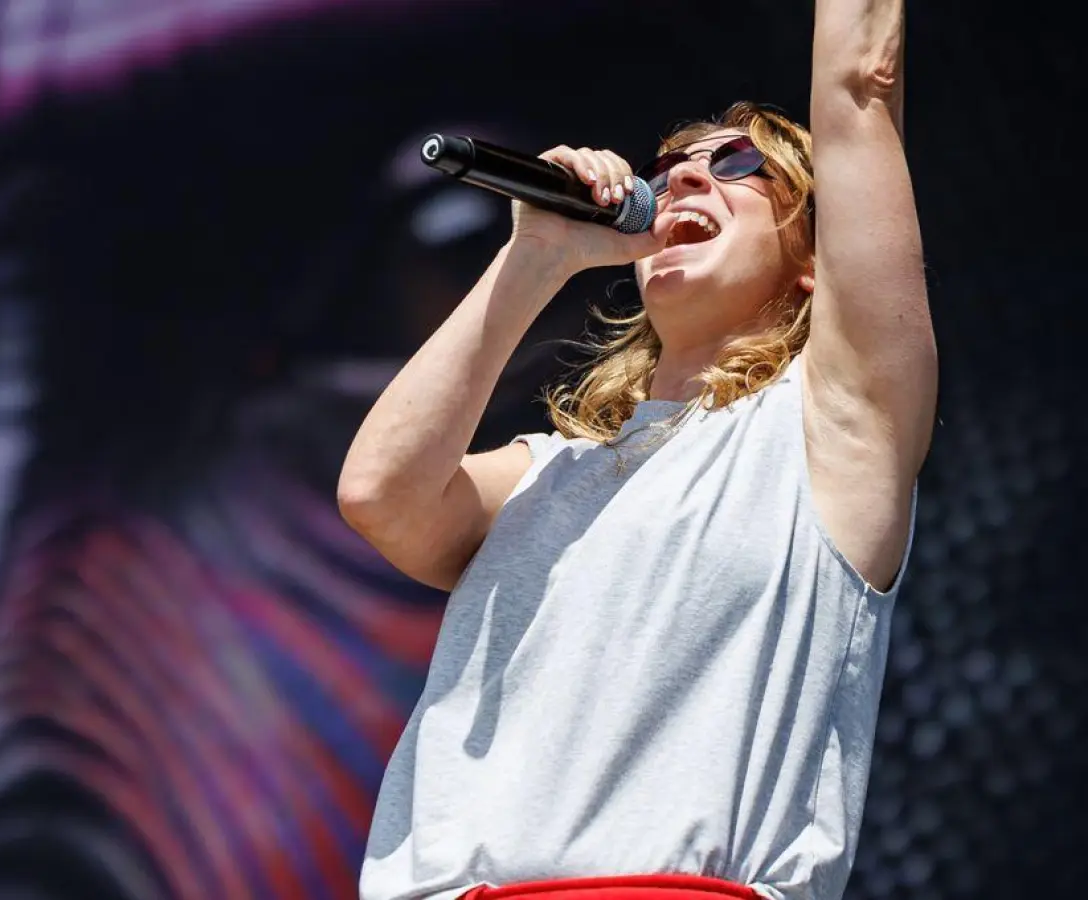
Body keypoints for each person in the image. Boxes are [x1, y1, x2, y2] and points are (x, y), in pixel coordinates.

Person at [338, 0, 935, 898]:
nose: (688, 181)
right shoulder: (548, 474)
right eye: (669, 170)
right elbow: (381, 495)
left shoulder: (836, 427)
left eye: (737, 167)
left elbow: (859, 83)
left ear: (814, 254)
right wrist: (535, 255)